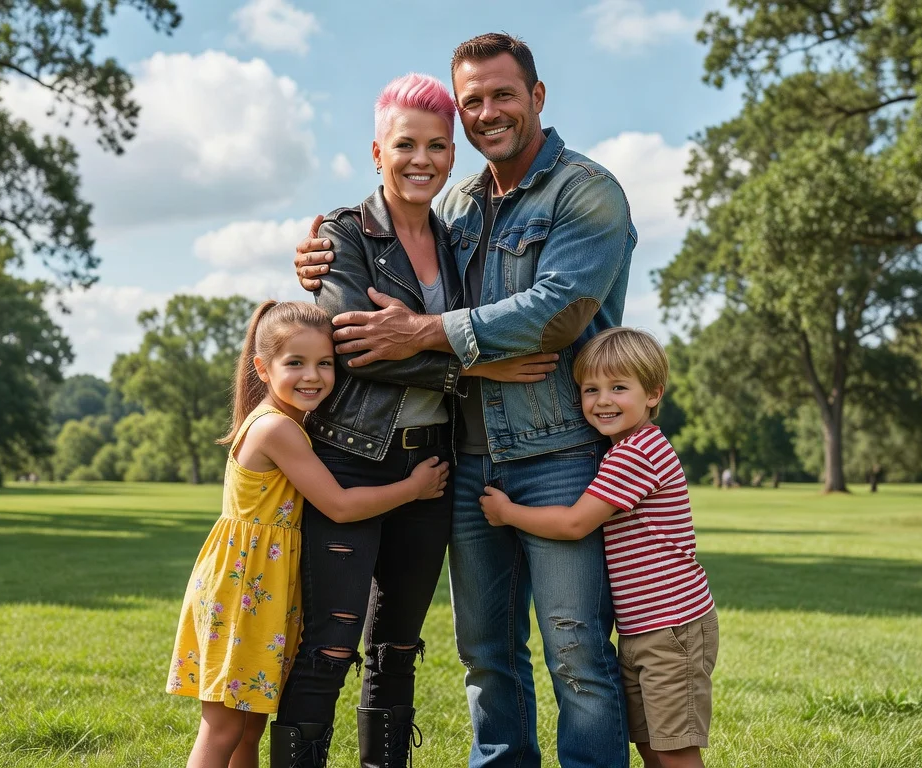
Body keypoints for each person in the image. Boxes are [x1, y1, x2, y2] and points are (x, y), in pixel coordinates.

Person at [294, 33, 636, 768]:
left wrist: (423, 332)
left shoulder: (586, 190)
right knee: (486, 656)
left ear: (537, 96)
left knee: (576, 654)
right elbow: (389, 246)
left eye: (503, 94)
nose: (488, 112)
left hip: (558, 450)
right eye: (472, 100)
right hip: (470, 458)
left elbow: (559, 311)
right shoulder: (458, 204)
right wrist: (324, 250)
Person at [270, 73, 556, 768]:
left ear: (453, 154)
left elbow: (454, 327)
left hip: (431, 467)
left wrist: (439, 347)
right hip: (350, 457)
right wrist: (472, 370)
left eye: (436, 146)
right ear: (378, 152)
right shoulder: (345, 233)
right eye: (405, 145)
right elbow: (354, 348)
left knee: (397, 648)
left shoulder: (459, 240)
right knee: (329, 646)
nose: (421, 160)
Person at [165, 300, 449, 768]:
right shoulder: (277, 429)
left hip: (264, 589)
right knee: (224, 727)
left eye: (324, 364)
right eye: (295, 363)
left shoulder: (291, 422)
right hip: (244, 591)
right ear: (263, 368)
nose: (312, 376)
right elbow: (339, 505)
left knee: (250, 727)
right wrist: (412, 489)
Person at [480, 328, 719, 768]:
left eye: (618, 388)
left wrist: (508, 513)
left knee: (674, 750)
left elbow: (575, 524)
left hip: (672, 627)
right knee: (650, 745)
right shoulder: (622, 449)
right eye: (591, 389)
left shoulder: (637, 453)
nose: (603, 400)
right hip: (643, 628)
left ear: (653, 394)